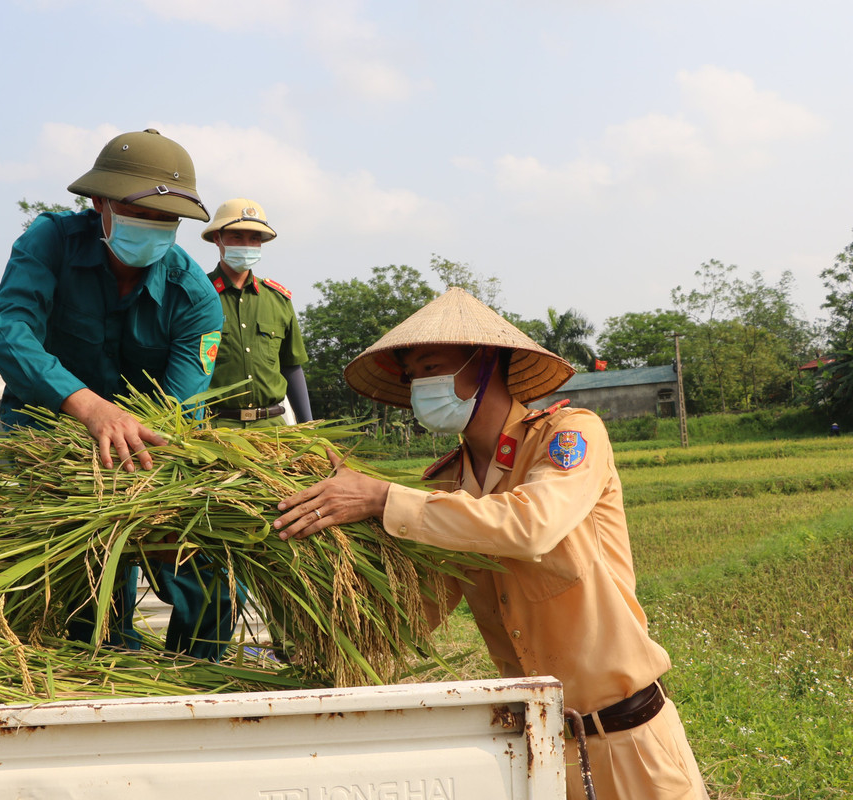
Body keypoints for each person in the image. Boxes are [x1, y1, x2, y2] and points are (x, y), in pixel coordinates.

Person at [273, 288, 708, 800]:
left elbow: (532, 526)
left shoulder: (567, 436)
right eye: (412, 376)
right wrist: (321, 569)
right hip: (535, 748)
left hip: (628, 741)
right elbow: (425, 604)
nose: (420, 385)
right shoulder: (445, 485)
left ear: (485, 362)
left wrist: (382, 499)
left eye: (431, 366)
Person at [0, 128, 236, 660]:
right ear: (99, 202)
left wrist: (136, 461)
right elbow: (9, 331)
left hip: (142, 447)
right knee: (77, 578)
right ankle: (94, 658)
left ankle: (199, 673)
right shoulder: (50, 241)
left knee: (202, 563)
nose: (153, 227)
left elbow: (177, 412)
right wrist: (88, 406)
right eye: (138, 211)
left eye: (168, 219)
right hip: (40, 438)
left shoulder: (195, 299)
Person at [201, 198, 313, 427]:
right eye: (237, 237)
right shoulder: (197, 296)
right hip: (216, 430)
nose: (246, 245)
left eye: (254, 239)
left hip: (273, 429)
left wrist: (309, 426)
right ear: (217, 239)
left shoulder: (278, 300)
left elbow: (291, 367)